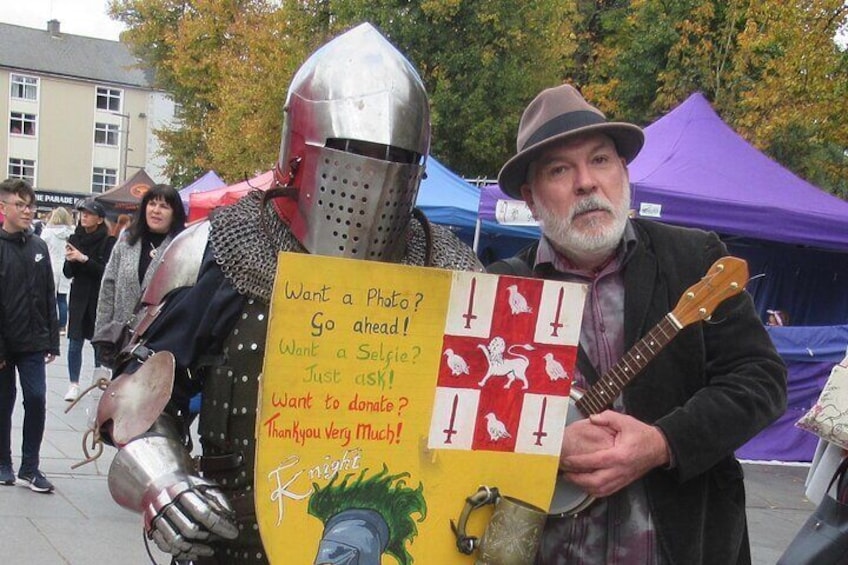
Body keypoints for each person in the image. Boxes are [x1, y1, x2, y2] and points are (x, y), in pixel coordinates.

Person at [96, 23, 481, 564]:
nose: (370, 182)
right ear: (301, 149)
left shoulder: (454, 268)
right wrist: (164, 481)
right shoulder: (224, 246)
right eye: (350, 150)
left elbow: (492, 423)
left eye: (394, 158)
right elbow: (137, 396)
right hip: (239, 539)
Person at [489, 84, 787, 564]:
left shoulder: (694, 258)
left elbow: (761, 382)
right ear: (530, 197)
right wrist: (546, 443)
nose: (587, 182)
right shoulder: (502, 288)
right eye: (560, 170)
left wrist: (661, 442)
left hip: (684, 547)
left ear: (624, 171)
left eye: (601, 160)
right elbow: (464, 418)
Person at [0, 178, 60, 493]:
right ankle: (3, 462)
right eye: (20, 205)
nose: (27, 211)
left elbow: (48, 293)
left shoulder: (38, 246)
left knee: (36, 399)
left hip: (34, 341)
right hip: (5, 342)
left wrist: (52, 339)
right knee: (3, 402)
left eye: (30, 205)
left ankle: (30, 466)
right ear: (3, 208)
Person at [94, 184, 185, 350]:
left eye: (164, 206)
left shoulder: (181, 248)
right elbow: (108, 287)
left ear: (174, 213)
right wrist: (102, 331)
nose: (156, 210)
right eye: (152, 204)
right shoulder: (126, 242)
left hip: (159, 341)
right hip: (121, 339)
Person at [62, 198, 115, 401]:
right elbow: (68, 273)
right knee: (74, 341)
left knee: (97, 342)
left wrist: (83, 259)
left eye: (89, 213)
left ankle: (98, 380)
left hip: (98, 297)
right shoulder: (74, 238)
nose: (84, 216)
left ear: (100, 219)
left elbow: (106, 272)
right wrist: (71, 260)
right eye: (82, 213)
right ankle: (73, 384)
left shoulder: (108, 242)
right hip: (78, 296)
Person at [41, 207, 75, 335]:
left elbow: (41, 247)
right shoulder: (71, 232)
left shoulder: (47, 232)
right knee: (62, 297)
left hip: (51, 266)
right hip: (65, 266)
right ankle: (62, 326)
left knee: (50, 297)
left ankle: (50, 323)